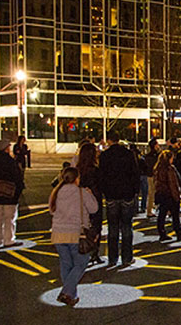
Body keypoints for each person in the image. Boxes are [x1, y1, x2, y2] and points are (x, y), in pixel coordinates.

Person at [49, 167, 99, 307]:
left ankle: (72, 295)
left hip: (58, 233)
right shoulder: (81, 193)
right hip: (76, 233)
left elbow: (52, 211)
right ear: (76, 178)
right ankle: (66, 292)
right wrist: (91, 194)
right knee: (81, 263)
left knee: (66, 264)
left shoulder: (56, 192)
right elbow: (94, 208)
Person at [97, 131, 141, 267]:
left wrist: (105, 192)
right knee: (127, 227)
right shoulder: (128, 154)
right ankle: (127, 257)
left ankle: (112, 257)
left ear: (109, 140)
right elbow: (135, 174)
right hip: (126, 194)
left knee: (113, 227)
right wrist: (135, 192)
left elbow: (101, 176)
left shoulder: (105, 156)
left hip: (112, 195)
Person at [0, 140, 25, 248]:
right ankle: (9, 239)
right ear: (6, 148)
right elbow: (17, 177)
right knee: (9, 218)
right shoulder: (11, 161)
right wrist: (19, 188)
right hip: (10, 192)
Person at [75, 143, 103, 265]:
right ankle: (94, 252)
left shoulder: (78, 170)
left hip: (80, 202)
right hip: (94, 200)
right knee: (95, 227)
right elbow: (101, 185)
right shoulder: (95, 170)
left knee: (82, 226)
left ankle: (82, 250)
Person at [154, 150, 181, 242]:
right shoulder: (170, 169)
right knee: (175, 216)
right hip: (170, 195)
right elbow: (173, 184)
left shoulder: (158, 168)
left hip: (162, 194)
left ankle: (162, 233)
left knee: (162, 215)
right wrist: (177, 197)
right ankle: (178, 233)